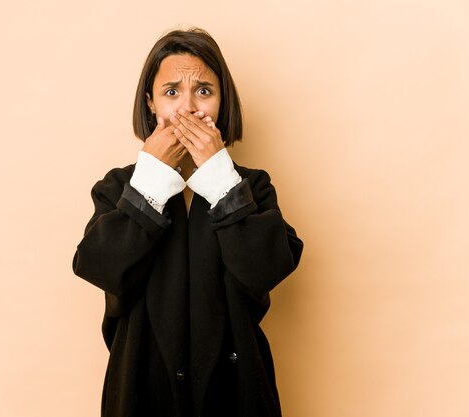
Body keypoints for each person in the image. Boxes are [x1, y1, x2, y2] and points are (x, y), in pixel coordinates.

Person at [73, 27, 303, 417]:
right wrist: (151, 178)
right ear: (150, 104)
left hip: (237, 390)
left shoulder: (252, 186)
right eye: (172, 92)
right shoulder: (118, 186)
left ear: (222, 102)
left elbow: (267, 268)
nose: (189, 108)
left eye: (204, 91)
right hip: (141, 387)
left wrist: (219, 177)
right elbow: (99, 265)